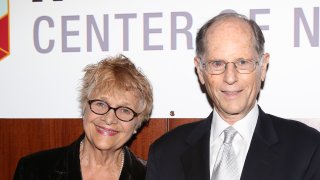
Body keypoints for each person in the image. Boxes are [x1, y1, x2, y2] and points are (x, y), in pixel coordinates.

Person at [146, 12, 320, 180]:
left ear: (263, 67)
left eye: (242, 62)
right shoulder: (165, 153)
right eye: (217, 63)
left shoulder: (308, 149)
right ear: (200, 70)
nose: (230, 78)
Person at [14, 54, 153, 180]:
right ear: (84, 107)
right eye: (101, 104)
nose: (109, 119)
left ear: (137, 123)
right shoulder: (34, 170)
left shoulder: (152, 176)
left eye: (124, 110)